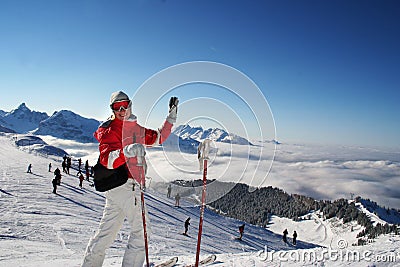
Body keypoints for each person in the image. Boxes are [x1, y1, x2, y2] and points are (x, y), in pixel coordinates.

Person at [81, 91, 178, 267]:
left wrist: (170, 118)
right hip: (125, 185)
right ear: (112, 109)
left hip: (117, 189)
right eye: (117, 107)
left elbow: (157, 138)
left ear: (130, 105)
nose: (122, 109)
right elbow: (107, 160)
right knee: (142, 231)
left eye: (124, 104)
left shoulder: (135, 128)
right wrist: (126, 152)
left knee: (106, 231)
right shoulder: (109, 130)